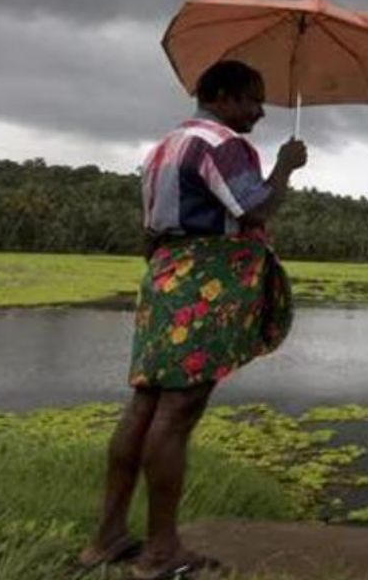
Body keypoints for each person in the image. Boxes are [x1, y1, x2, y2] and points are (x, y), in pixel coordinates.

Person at [74, 60, 307, 579]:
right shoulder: (220, 143)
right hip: (205, 282)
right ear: (221, 96)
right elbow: (257, 209)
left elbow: (150, 232)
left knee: (146, 402)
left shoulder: (164, 146)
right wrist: (286, 166)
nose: (259, 112)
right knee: (178, 411)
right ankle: (161, 551)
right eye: (251, 99)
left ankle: (107, 537)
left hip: (164, 275)